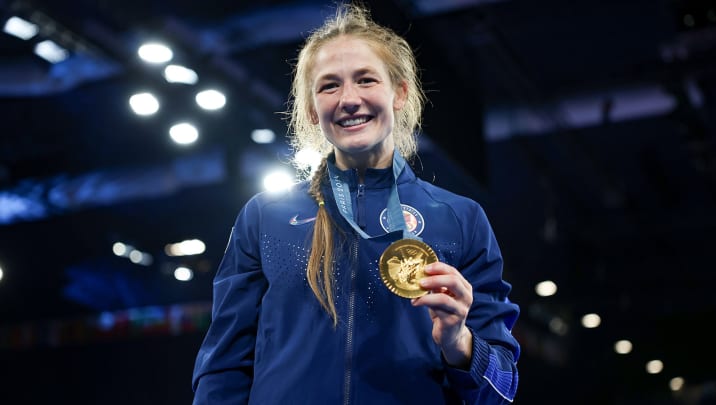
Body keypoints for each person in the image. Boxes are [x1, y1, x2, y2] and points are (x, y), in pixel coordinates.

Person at [192, 3, 520, 404]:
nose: (348, 99)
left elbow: (503, 388)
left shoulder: (461, 219)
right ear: (312, 111)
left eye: (366, 80)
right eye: (329, 86)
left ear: (399, 93)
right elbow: (222, 366)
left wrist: (459, 341)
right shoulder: (263, 217)